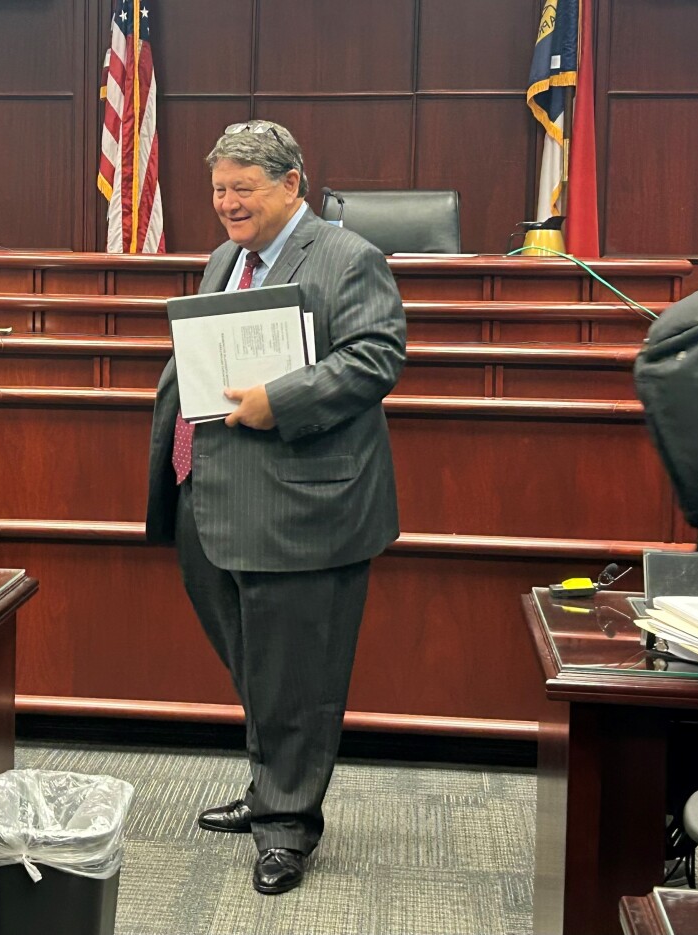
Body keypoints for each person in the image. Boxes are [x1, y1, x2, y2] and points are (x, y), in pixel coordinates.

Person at [146, 120, 406, 894]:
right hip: (215, 499)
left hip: (302, 509)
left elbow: (377, 355)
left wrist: (279, 400)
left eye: (242, 189)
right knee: (260, 663)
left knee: (297, 671)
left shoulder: (347, 256)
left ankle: (288, 825)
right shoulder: (226, 258)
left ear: (291, 183)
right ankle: (272, 787)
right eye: (219, 189)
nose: (226, 204)